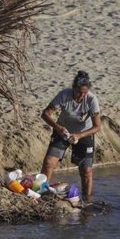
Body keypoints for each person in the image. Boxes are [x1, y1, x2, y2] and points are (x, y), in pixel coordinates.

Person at [40, 70, 102, 202]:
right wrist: (58, 127)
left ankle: (87, 200)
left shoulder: (91, 99)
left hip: (83, 134)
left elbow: (97, 126)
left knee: (86, 171)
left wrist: (79, 135)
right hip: (62, 131)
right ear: (73, 88)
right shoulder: (64, 95)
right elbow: (45, 114)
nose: (81, 96)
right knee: (48, 162)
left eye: (84, 93)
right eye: (79, 92)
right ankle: (41, 193)